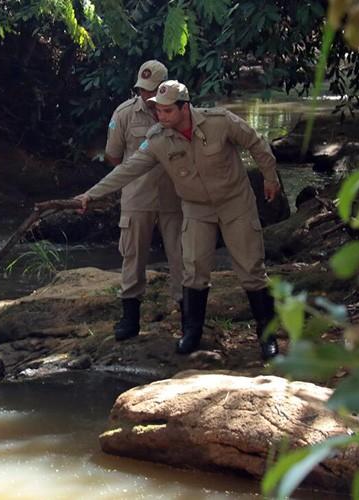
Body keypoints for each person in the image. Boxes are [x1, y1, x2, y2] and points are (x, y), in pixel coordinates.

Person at [75, 80, 281, 361]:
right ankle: (192, 333)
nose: (161, 116)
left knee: (251, 268)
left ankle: (267, 336)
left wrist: (270, 178)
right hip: (196, 208)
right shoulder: (158, 138)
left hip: (235, 204)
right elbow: (128, 169)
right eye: (158, 111)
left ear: (185, 107)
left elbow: (255, 142)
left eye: (167, 111)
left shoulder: (219, 121)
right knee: (194, 269)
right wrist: (91, 194)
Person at [104, 60, 183, 341]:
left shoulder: (177, 110)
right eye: (143, 90)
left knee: (181, 256)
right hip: (137, 196)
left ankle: (188, 317)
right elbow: (113, 156)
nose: (147, 97)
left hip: (174, 196)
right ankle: (130, 318)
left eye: (152, 91)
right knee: (133, 256)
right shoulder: (124, 114)